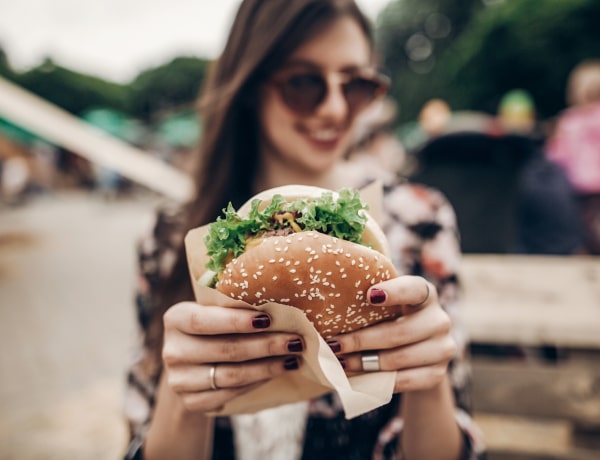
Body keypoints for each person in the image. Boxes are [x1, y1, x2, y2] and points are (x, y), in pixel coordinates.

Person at [123, 1, 485, 459]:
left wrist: (428, 381)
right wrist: (183, 396)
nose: (335, 109)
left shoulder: (419, 221)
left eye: (355, 86)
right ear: (251, 85)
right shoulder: (170, 239)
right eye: (303, 83)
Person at [546, 59, 600, 254]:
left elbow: (556, 154)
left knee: (581, 220)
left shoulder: (569, 120)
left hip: (576, 182)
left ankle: (585, 247)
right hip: (590, 182)